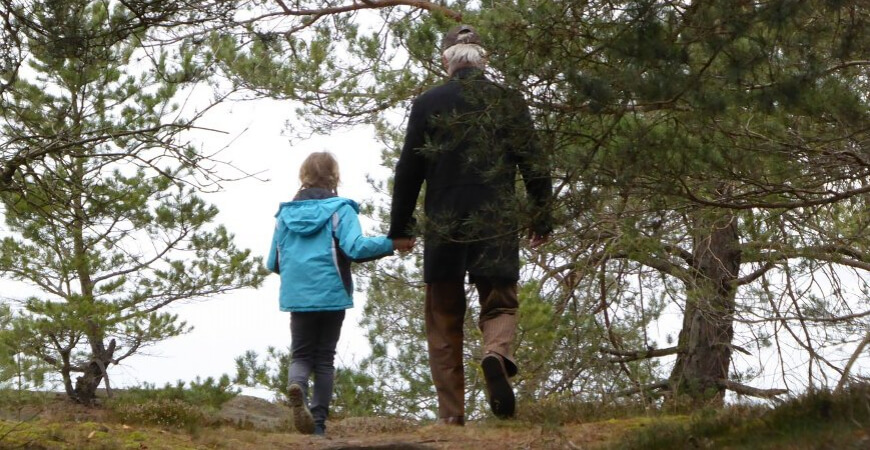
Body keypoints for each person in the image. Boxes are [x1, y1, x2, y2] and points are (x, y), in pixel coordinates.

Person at [388, 25, 553, 424]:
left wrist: (402, 227)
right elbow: (535, 164)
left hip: (444, 222)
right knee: (500, 302)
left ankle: (451, 417)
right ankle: (496, 355)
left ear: (447, 61)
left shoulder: (428, 102)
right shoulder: (508, 101)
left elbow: (410, 168)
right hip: (495, 218)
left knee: (443, 319)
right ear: (484, 58)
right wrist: (541, 218)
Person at [267, 152, 413, 436]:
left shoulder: (284, 215)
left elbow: (272, 261)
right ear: (334, 177)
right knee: (324, 358)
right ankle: (318, 424)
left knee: (301, 353)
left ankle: (297, 385)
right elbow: (356, 248)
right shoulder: (340, 210)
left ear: (303, 176)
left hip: (298, 295)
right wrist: (392, 243)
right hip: (332, 293)